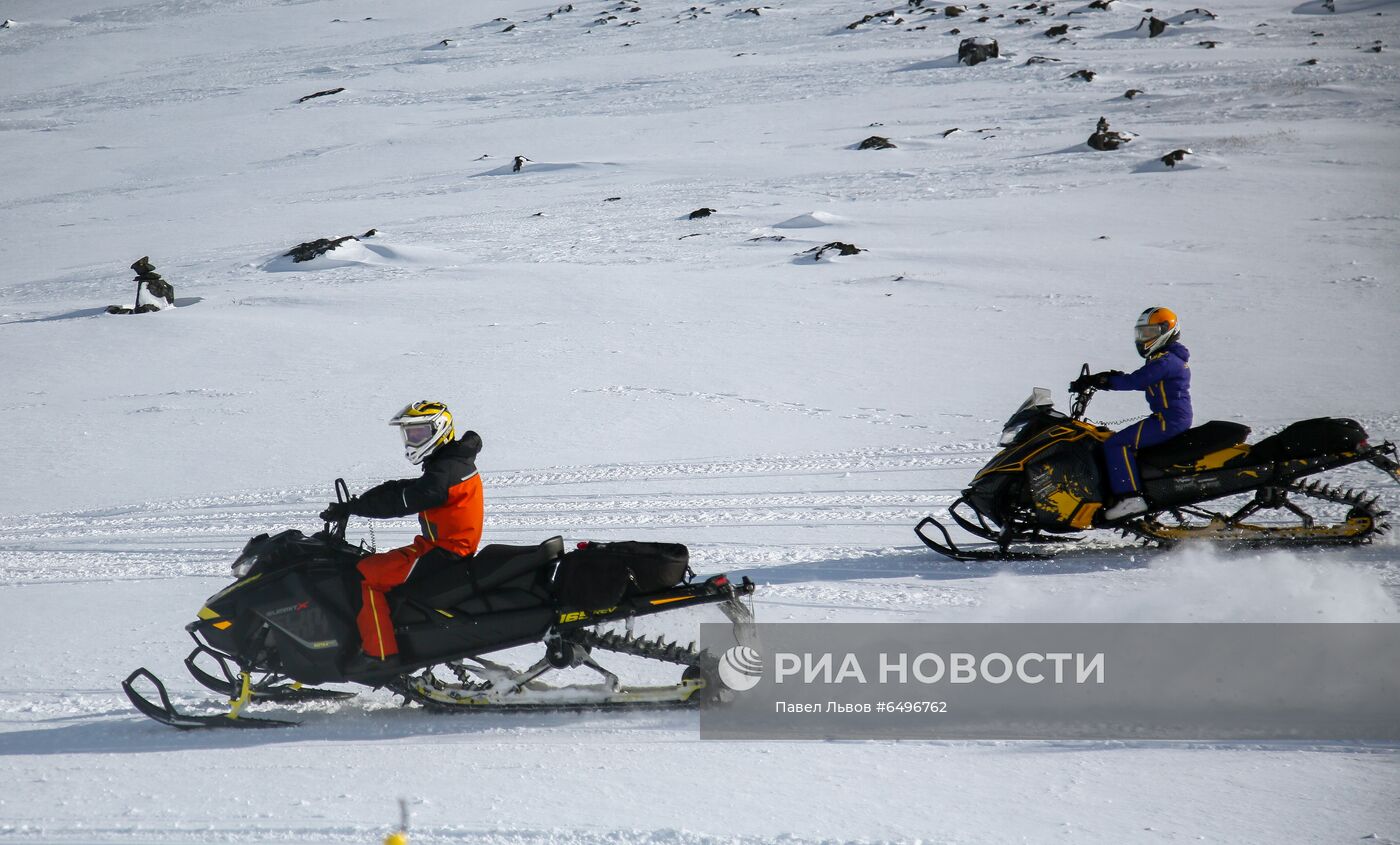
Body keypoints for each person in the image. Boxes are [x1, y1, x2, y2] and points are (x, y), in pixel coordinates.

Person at [320, 401, 483, 665]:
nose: (412, 440)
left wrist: (358, 507)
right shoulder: (450, 462)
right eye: (409, 434)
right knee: (372, 565)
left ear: (438, 430)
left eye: (418, 433)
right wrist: (354, 504)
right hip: (441, 547)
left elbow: (405, 500)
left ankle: (380, 656)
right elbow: (403, 489)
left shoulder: (446, 469)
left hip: (445, 552)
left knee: (367, 577)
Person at [1070, 307, 1191, 521]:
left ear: (1166, 330)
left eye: (1150, 333)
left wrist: (1104, 381)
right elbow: (1140, 378)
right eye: (1142, 334)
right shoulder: (1164, 359)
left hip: (1169, 421)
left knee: (1116, 444)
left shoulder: (1166, 360)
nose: (1145, 339)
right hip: (1168, 418)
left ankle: (1130, 499)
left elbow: (1137, 381)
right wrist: (1107, 379)